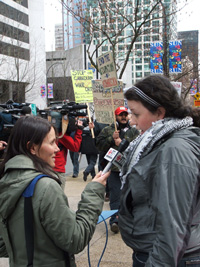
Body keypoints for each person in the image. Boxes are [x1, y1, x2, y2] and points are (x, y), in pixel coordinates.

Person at [0, 116, 110, 267]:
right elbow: (75, 240)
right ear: (32, 147)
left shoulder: (6, 179)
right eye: (52, 142)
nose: (57, 149)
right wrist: (94, 192)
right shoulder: (45, 187)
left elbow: (5, 244)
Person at [118, 75, 200, 267]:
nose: (132, 121)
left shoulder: (174, 150)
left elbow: (173, 227)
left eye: (136, 114)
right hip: (158, 250)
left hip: (170, 256)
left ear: (160, 112)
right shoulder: (160, 141)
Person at [96, 106, 139, 233]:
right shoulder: (108, 130)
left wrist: (122, 143)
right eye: (121, 114)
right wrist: (111, 139)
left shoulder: (134, 132)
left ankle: (128, 220)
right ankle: (115, 220)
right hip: (114, 169)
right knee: (115, 196)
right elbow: (98, 145)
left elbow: (138, 147)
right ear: (116, 117)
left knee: (130, 196)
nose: (124, 117)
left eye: (125, 114)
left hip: (130, 169)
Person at [54, 119, 83, 189]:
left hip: (45, 168)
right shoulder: (61, 135)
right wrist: (79, 130)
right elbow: (75, 147)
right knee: (59, 195)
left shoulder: (49, 132)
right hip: (58, 169)